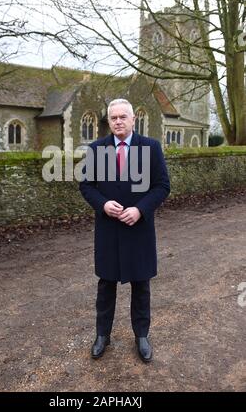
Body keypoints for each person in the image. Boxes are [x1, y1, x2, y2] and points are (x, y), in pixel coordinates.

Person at [79, 98, 170, 363]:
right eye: (114, 117)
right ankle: (102, 336)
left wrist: (140, 209)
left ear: (133, 120)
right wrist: (103, 204)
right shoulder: (97, 149)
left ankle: (142, 336)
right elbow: (87, 186)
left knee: (141, 284)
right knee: (106, 285)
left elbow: (162, 186)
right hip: (108, 230)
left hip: (139, 229)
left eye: (123, 117)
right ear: (109, 122)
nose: (118, 121)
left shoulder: (151, 148)